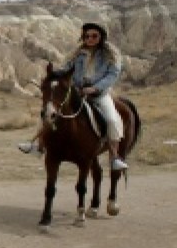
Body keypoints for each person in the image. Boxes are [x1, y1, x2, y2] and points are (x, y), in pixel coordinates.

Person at [17, 22, 128, 170]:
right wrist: (55, 75)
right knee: (49, 112)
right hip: (77, 92)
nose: (90, 39)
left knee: (112, 119)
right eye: (87, 36)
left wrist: (94, 88)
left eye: (94, 36)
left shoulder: (110, 56)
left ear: (101, 37)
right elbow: (66, 69)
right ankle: (39, 145)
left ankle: (114, 157)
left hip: (99, 95)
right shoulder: (77, 54)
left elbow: (112, 75)